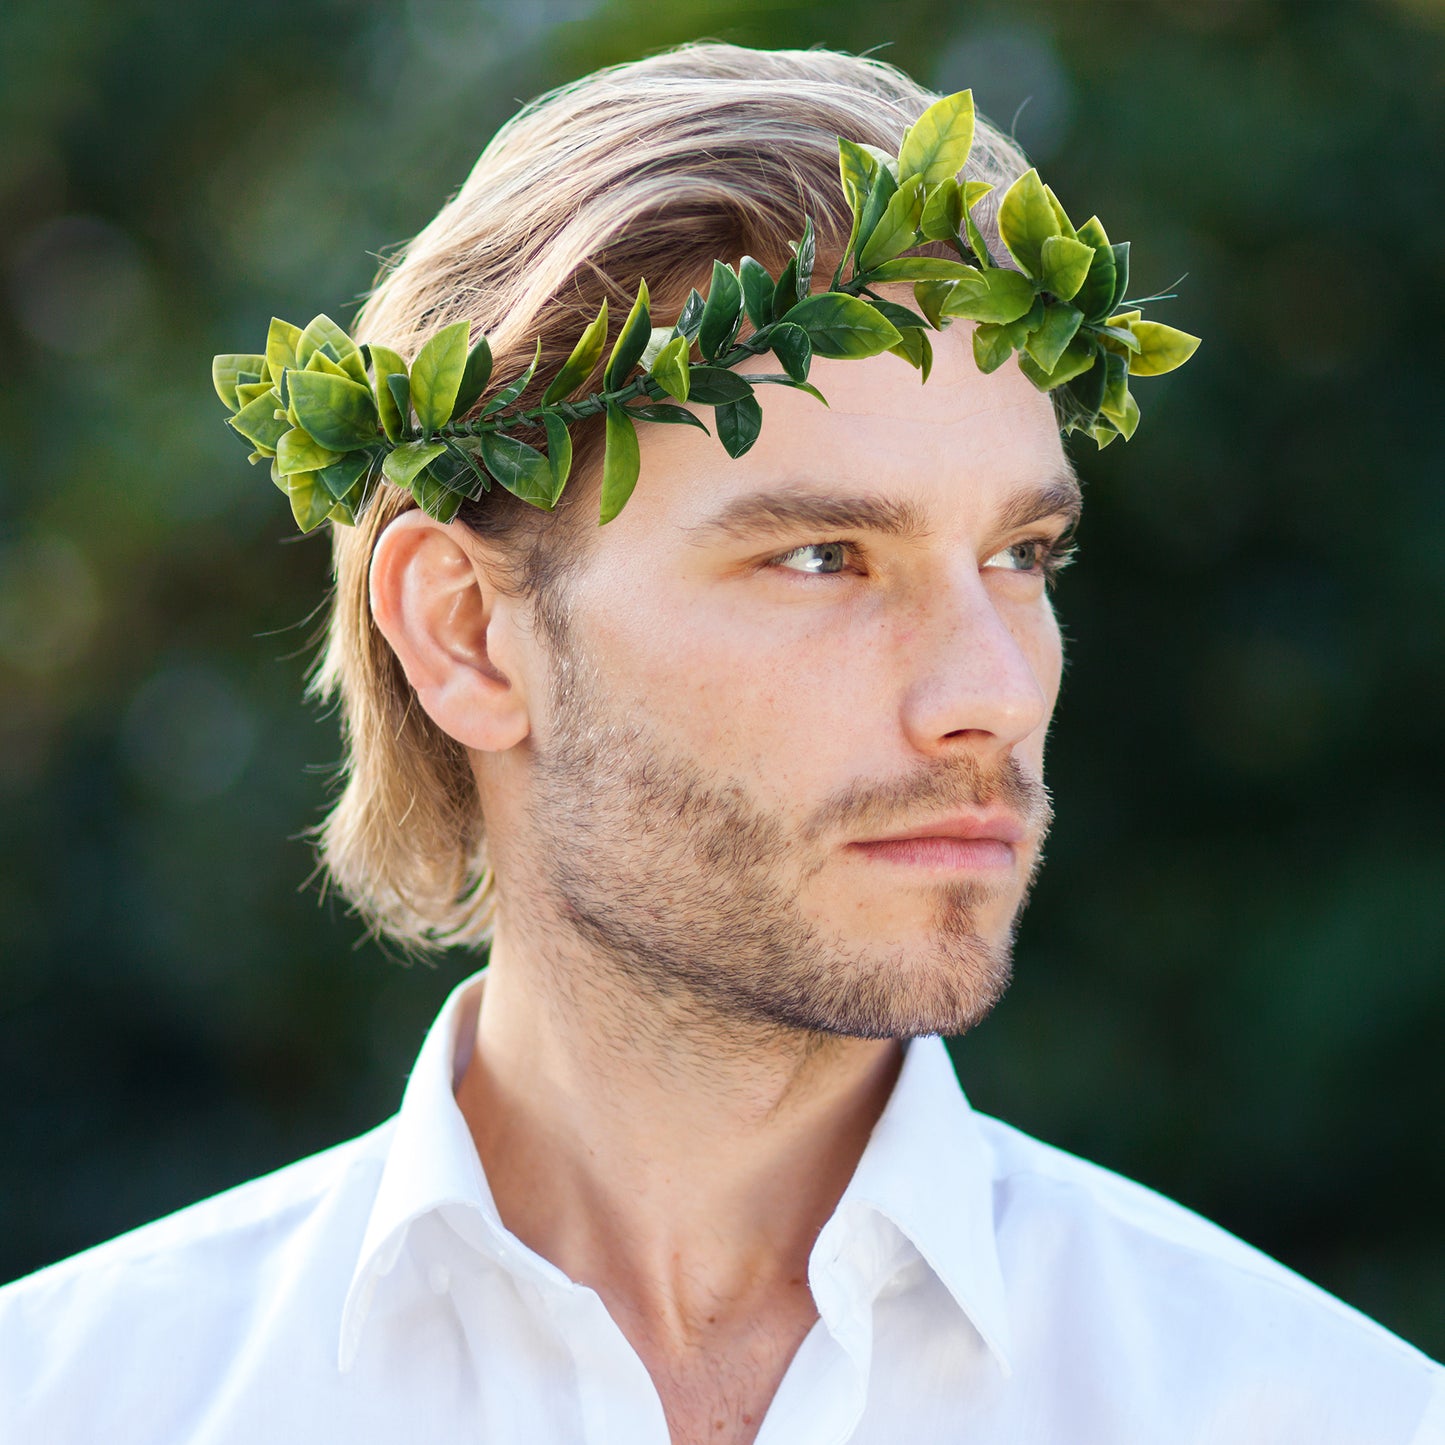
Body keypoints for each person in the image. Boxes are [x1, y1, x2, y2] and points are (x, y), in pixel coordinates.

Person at [1, 42, 1440, 1445]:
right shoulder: (78, 1401)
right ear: (466, 631)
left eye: (1022, 553)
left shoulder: (1317, 1411)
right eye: (821, 556)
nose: (990, 690)